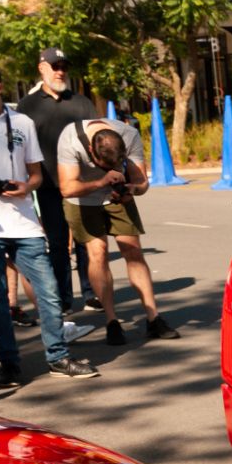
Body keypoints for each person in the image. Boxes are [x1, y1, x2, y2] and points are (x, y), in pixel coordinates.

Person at [0, 56, 98, 383]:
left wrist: (26, 186)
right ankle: (9, 363)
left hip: (24, 221)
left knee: (50, 292)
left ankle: (58, 357)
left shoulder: (23, 123)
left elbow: (36, 175)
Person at [59, 117, 176, 345]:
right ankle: (112, 321)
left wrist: (132, 189)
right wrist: (101, 181)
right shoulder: (70, 138)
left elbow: (141, 182)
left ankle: (153, 317)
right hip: (81, 201)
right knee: (98, 252)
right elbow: (66, 188)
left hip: (116, 198)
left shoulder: (129, 134)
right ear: (91, 149)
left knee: (133, 251)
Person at [16, 47, 94, 313]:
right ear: (42, 68)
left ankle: (91, 291)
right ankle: (63, 297)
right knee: (59, 243)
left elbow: (94, 138)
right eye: (55, 66)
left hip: (82, 184)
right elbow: (22, 145)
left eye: (64, 66)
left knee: (86, 240)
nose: (60, 71)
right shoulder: (28, 106)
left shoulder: (82, 103)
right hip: (49, 186)